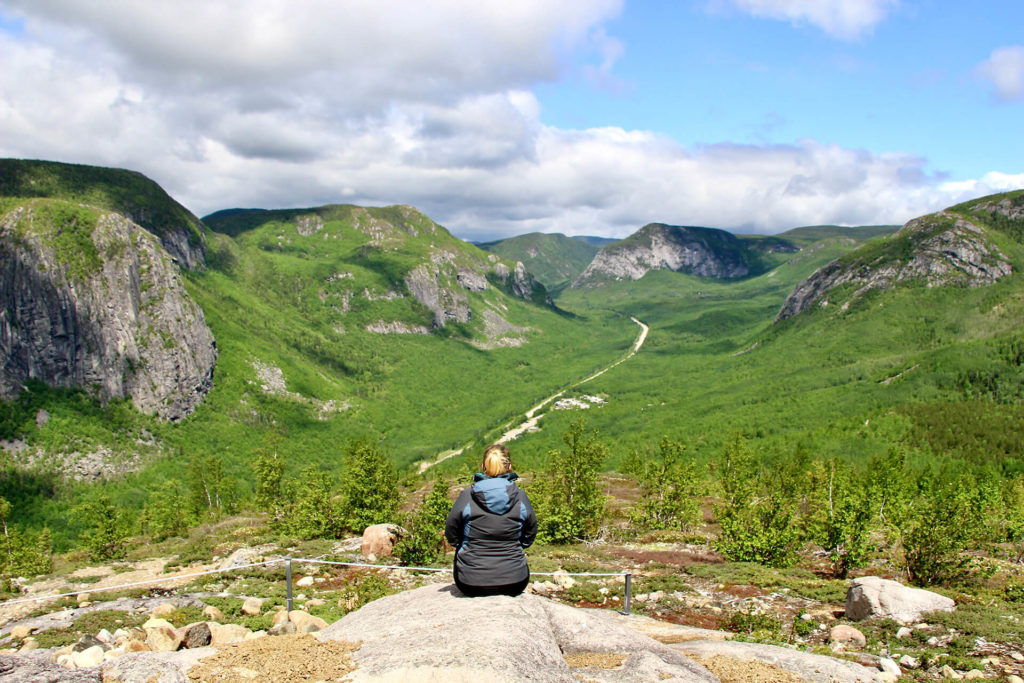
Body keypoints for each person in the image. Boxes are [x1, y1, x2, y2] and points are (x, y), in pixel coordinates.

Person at [444, 443, 537, 597]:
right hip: (515, 582)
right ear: (509, 467)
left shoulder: (467, 496)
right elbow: (530, 533)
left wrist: (465, 545)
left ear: (483, 467)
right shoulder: (520, 497)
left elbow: (451, 534)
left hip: (470, 583)